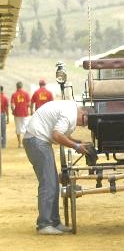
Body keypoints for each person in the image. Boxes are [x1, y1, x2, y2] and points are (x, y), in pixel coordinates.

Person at [23, 99, 93, 235]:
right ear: (83, 112)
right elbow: (57, 135)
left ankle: (54, 222)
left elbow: (61, 135)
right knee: (48, 182)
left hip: (37, 140)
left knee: (53, 182)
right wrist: (76, 146)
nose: (83, 125)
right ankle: (44, 224)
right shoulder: (69, 114)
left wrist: (78, 142)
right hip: (37, 141)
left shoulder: (70, 110)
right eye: (85, 122)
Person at [10, 81, 31, 148]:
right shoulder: (26, 94)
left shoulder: (14, 94)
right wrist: (26, 107)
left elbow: (12, 105)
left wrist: (13, 111)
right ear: (22, 86)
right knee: (25, 128)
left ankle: (20, 143)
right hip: (25, 113)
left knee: (18, 128)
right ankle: (25, 143)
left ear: (16, 86)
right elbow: (29, 104)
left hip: (17, 113)